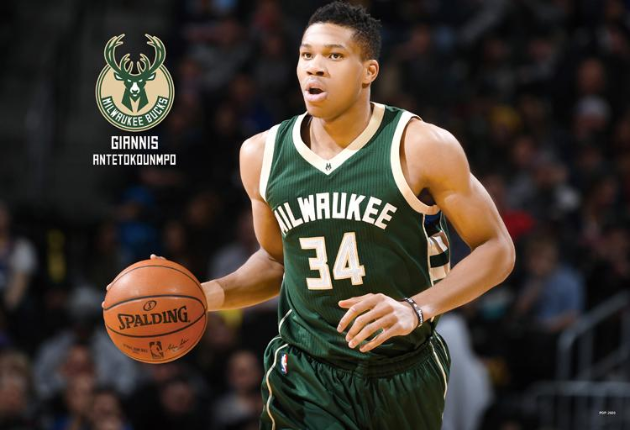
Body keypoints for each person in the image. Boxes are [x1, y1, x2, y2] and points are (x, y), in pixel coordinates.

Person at [136, 2, 515, 428]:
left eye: (334, 55)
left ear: (368, 71)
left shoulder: (422, 146)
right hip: (305, 372)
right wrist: (202, 295)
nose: (314, 67)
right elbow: (276, 261)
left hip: (402, 370)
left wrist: (415, 308)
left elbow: (497, 248)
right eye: (306, 55)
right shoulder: (261, 155)